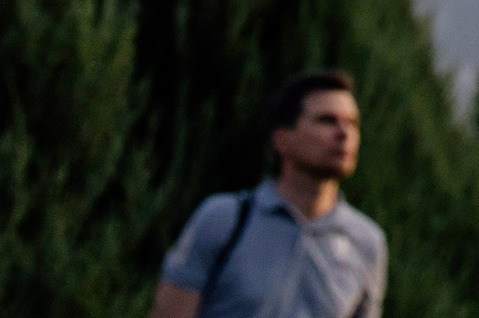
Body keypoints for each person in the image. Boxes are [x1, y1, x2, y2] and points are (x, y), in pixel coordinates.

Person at [152, 69, 388, 318]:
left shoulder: (367, 242)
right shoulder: (226, 220)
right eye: (326, 121)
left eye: (352, 123)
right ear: (282, 140)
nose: (344, 134)